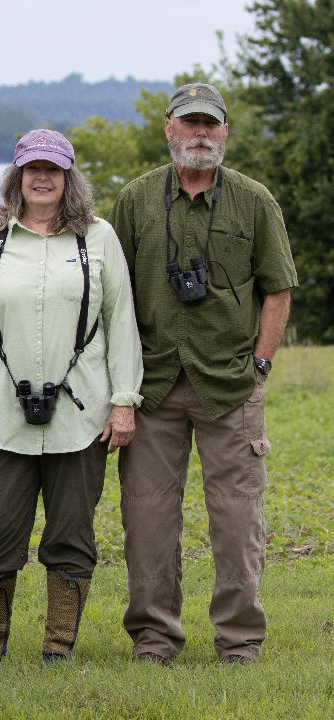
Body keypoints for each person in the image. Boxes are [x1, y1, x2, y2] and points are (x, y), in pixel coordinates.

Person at [109, 83, 297, 666]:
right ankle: (154, 639)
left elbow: (278, 290)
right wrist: (119, 383)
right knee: (148, 519)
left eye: (210, 124)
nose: (200, 133)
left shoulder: (255, 200)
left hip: (231, 384)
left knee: (238, 520)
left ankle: (239, 642)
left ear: (225, 132)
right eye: (190, 122)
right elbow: (112, 295)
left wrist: (260, 365)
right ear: (169, 127)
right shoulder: (135, 199)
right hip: (153, 386)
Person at [0, 129, 143, 666]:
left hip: (82, 417)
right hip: (3, 416)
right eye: (32, 169)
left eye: (52, 170)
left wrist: (124, 400)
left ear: (68, 177)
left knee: (72, 532)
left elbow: (121, 323)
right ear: (16, 176)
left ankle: (58, 646)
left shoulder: (98, 238)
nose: (41, 178)